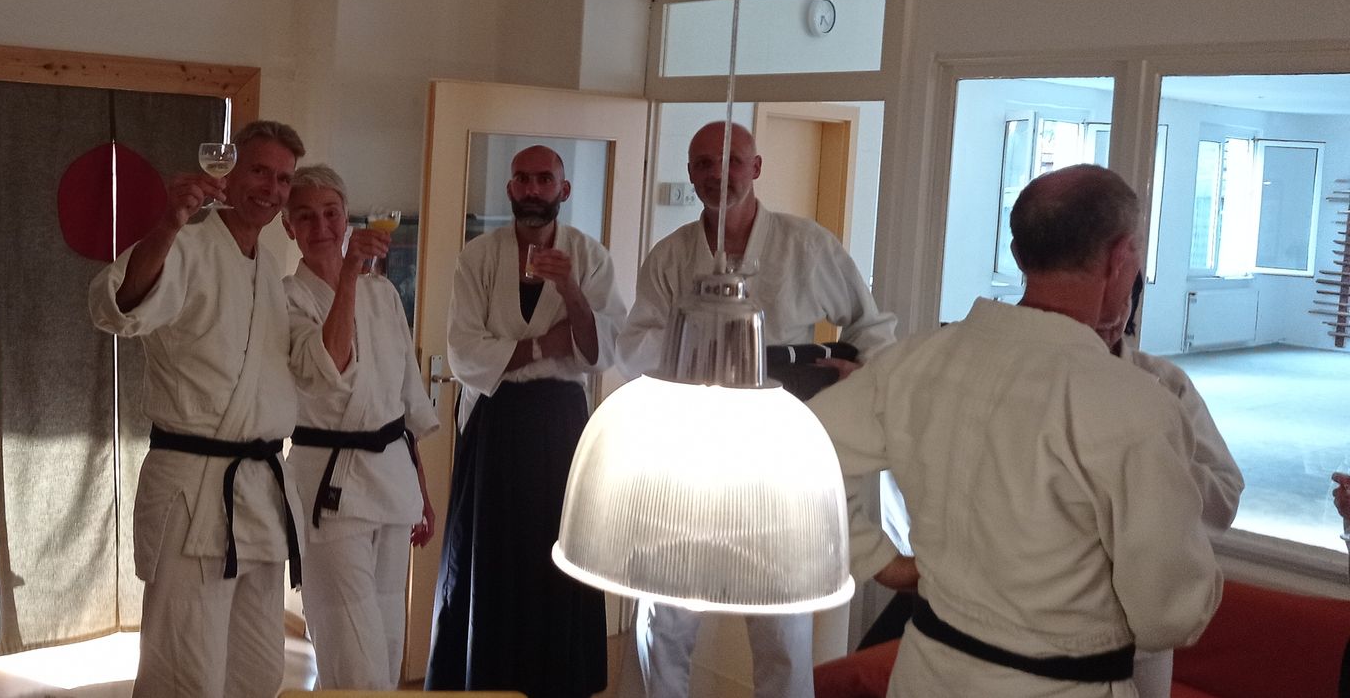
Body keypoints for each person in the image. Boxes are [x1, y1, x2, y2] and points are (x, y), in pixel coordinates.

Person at [809, 164, 1221, 698]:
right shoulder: (1134, 407)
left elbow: (802, 450)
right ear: (1121, 257)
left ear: (1019, 253)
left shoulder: (916, 362)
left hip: (927, 674)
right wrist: (881, 561)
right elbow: (1172, 614)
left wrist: (879, 560)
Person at [617, 120, 898, 698]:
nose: (717, 174)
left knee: (782, 622)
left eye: (731, 161)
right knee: (664, 614)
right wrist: (708, 347)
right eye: (703, 164)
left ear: (756, 167)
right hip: (689, 449)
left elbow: (871, 327)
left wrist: (862, 380)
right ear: (690, 172)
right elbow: (633, 346)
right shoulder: (672, 255)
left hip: (780, 450)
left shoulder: (805, 245)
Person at [88, 119, 306, 698]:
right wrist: (168, 223)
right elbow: (119, 306)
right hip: (194, 488)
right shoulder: (185, 244)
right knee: (186, 670)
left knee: (259, 669)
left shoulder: (269, 267)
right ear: (228, 173)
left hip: (260, 491)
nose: (272, 188)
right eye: (259, 171)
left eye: (284, 179)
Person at [426, 145, 626, 698]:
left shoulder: (588, 256)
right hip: (497, 421)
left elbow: (602, 352)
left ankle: (557, 683)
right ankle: (483, 680)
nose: (533, 189)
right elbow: (466, 355)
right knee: (489, 557)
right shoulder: (478, 257)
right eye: (523, 179)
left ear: (563, 190)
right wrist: (543, 344)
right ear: (510, 188)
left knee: (559, 554)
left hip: (562, 423)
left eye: (544, 179)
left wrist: (571, 292)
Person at [279, 165, 438, 689]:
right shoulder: (287, 298)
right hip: (330, 489)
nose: (321, 226)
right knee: (350, 643)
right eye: (306, 216)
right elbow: (329, 364)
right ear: (288, 226)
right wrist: (349, 272)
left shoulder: (383, 294)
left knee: (388, 641)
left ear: (346, 217)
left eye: (331, 213)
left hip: (390, 478)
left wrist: (420, 487)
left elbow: (404, 397)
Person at [1094, 279, 1242, 698]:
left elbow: (1224, 497)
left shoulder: (1164, 383)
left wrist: (1152, 450)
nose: (1106, 317)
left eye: (1121, 301)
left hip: (1143, 636)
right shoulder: (1033, 381)